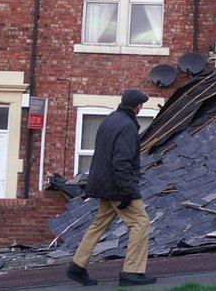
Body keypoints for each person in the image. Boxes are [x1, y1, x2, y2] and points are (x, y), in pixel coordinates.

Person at [66, 89, 156, 287]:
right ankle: (132, 272)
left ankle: (77, 265)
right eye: (141, 104)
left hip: (102, 183)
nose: (142, 107)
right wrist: (127, 192)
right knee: (140, 223)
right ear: (136, 106)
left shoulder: (110, 120)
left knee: (99, 223)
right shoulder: (128, 127)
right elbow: (121, 162)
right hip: (118, 185)